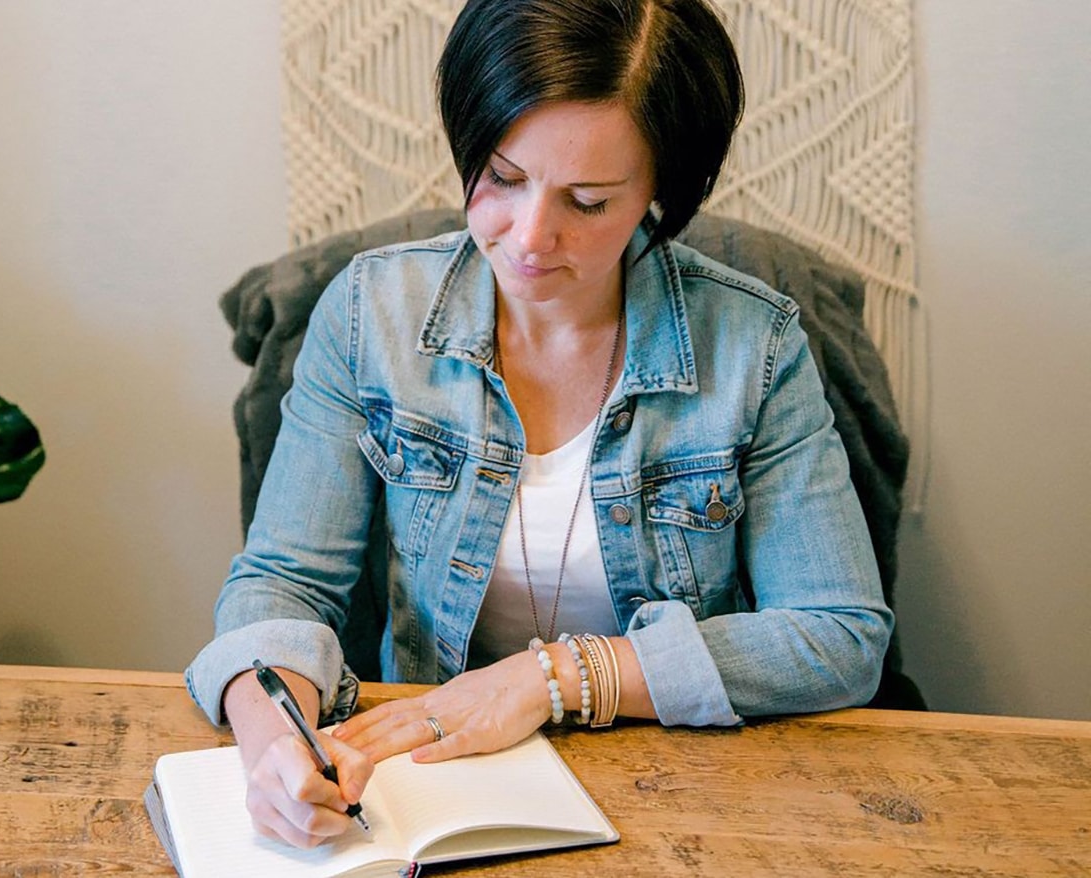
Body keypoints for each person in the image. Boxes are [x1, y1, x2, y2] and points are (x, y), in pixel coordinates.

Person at [187, 0, 893, 849]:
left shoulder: (754, 344)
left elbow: (839, 635)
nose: (528, 239)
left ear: (659, 192)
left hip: (686, 794)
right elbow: (285, 581)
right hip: (430, 791)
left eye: (588, 202)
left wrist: (556, 677)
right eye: (503, 178)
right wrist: (275, 744)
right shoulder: (372, 313)